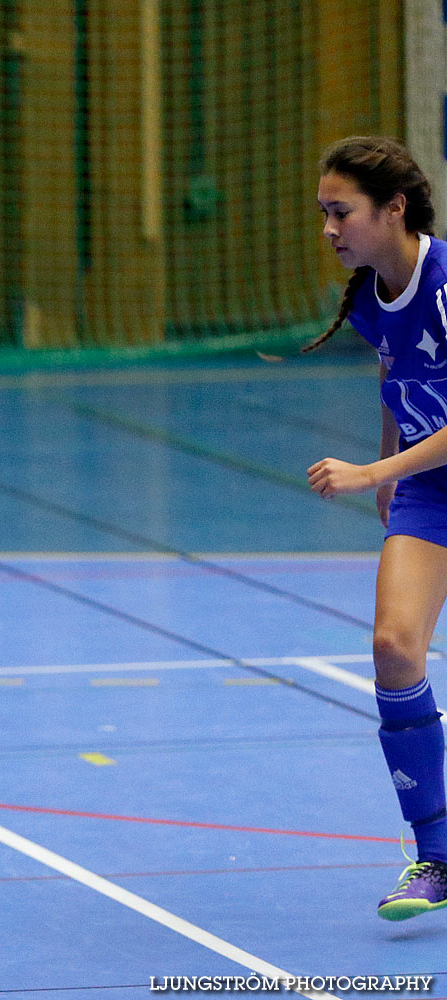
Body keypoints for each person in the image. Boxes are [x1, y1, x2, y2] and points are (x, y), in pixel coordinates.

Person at [304, 135, 447, 920]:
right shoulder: (367, 296)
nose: (329, 229)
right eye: (324, 213)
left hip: (415, 475)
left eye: (341, 212)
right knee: (394, 648)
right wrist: (391, 461)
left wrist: (371, 474)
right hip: (430, 487)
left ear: (393, 209)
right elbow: (395, 371)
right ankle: (437, 857)